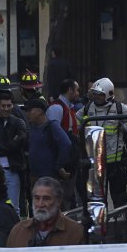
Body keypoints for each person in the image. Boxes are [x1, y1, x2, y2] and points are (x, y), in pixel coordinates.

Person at [81, 77, 127, 207]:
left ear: (108, 94)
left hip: (115, 162)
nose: (97, 97)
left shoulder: (118, 108)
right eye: (95, 94)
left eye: (100, 94)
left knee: (119, 196)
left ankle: (122, 223)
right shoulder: (88, 108)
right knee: (97, 199)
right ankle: (102, 223)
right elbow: (77, 121)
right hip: (95, 162)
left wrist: (126, 127)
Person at [46, 78, 82, 208]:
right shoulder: (57, 108)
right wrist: (60, 164)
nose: (78, 93)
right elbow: (54, 136)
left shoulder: (69, 108)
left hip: (71, 160)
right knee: (63, 198)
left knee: (70, 195)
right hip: (63, 161)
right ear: (70, 90)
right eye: (77, 90)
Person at [24, 98, 72, 193]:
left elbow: (66, 144)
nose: (27, 114)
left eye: (30, 111)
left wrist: (59, 165)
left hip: (49, 178)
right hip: (34, 177)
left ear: (40, 111)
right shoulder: (32, 128)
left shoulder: (52, 126)